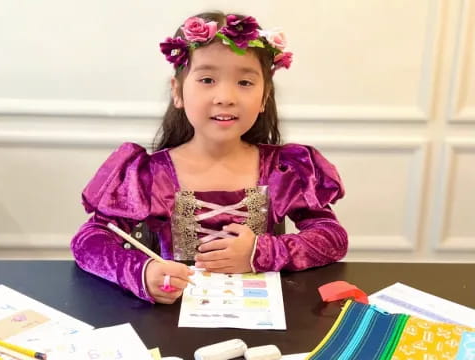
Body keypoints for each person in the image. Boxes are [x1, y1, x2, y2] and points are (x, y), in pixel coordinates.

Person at [71, 11, 348, 304]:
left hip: (263, 315)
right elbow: (89, 240)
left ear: (265, 96)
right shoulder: (149, 174)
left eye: (244, 83)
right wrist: (141, 271)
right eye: (207, 79)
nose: (225, 96)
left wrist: (260, 253)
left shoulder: (283, 169)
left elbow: (332, 237)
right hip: (172, 317)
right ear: (177, 92)